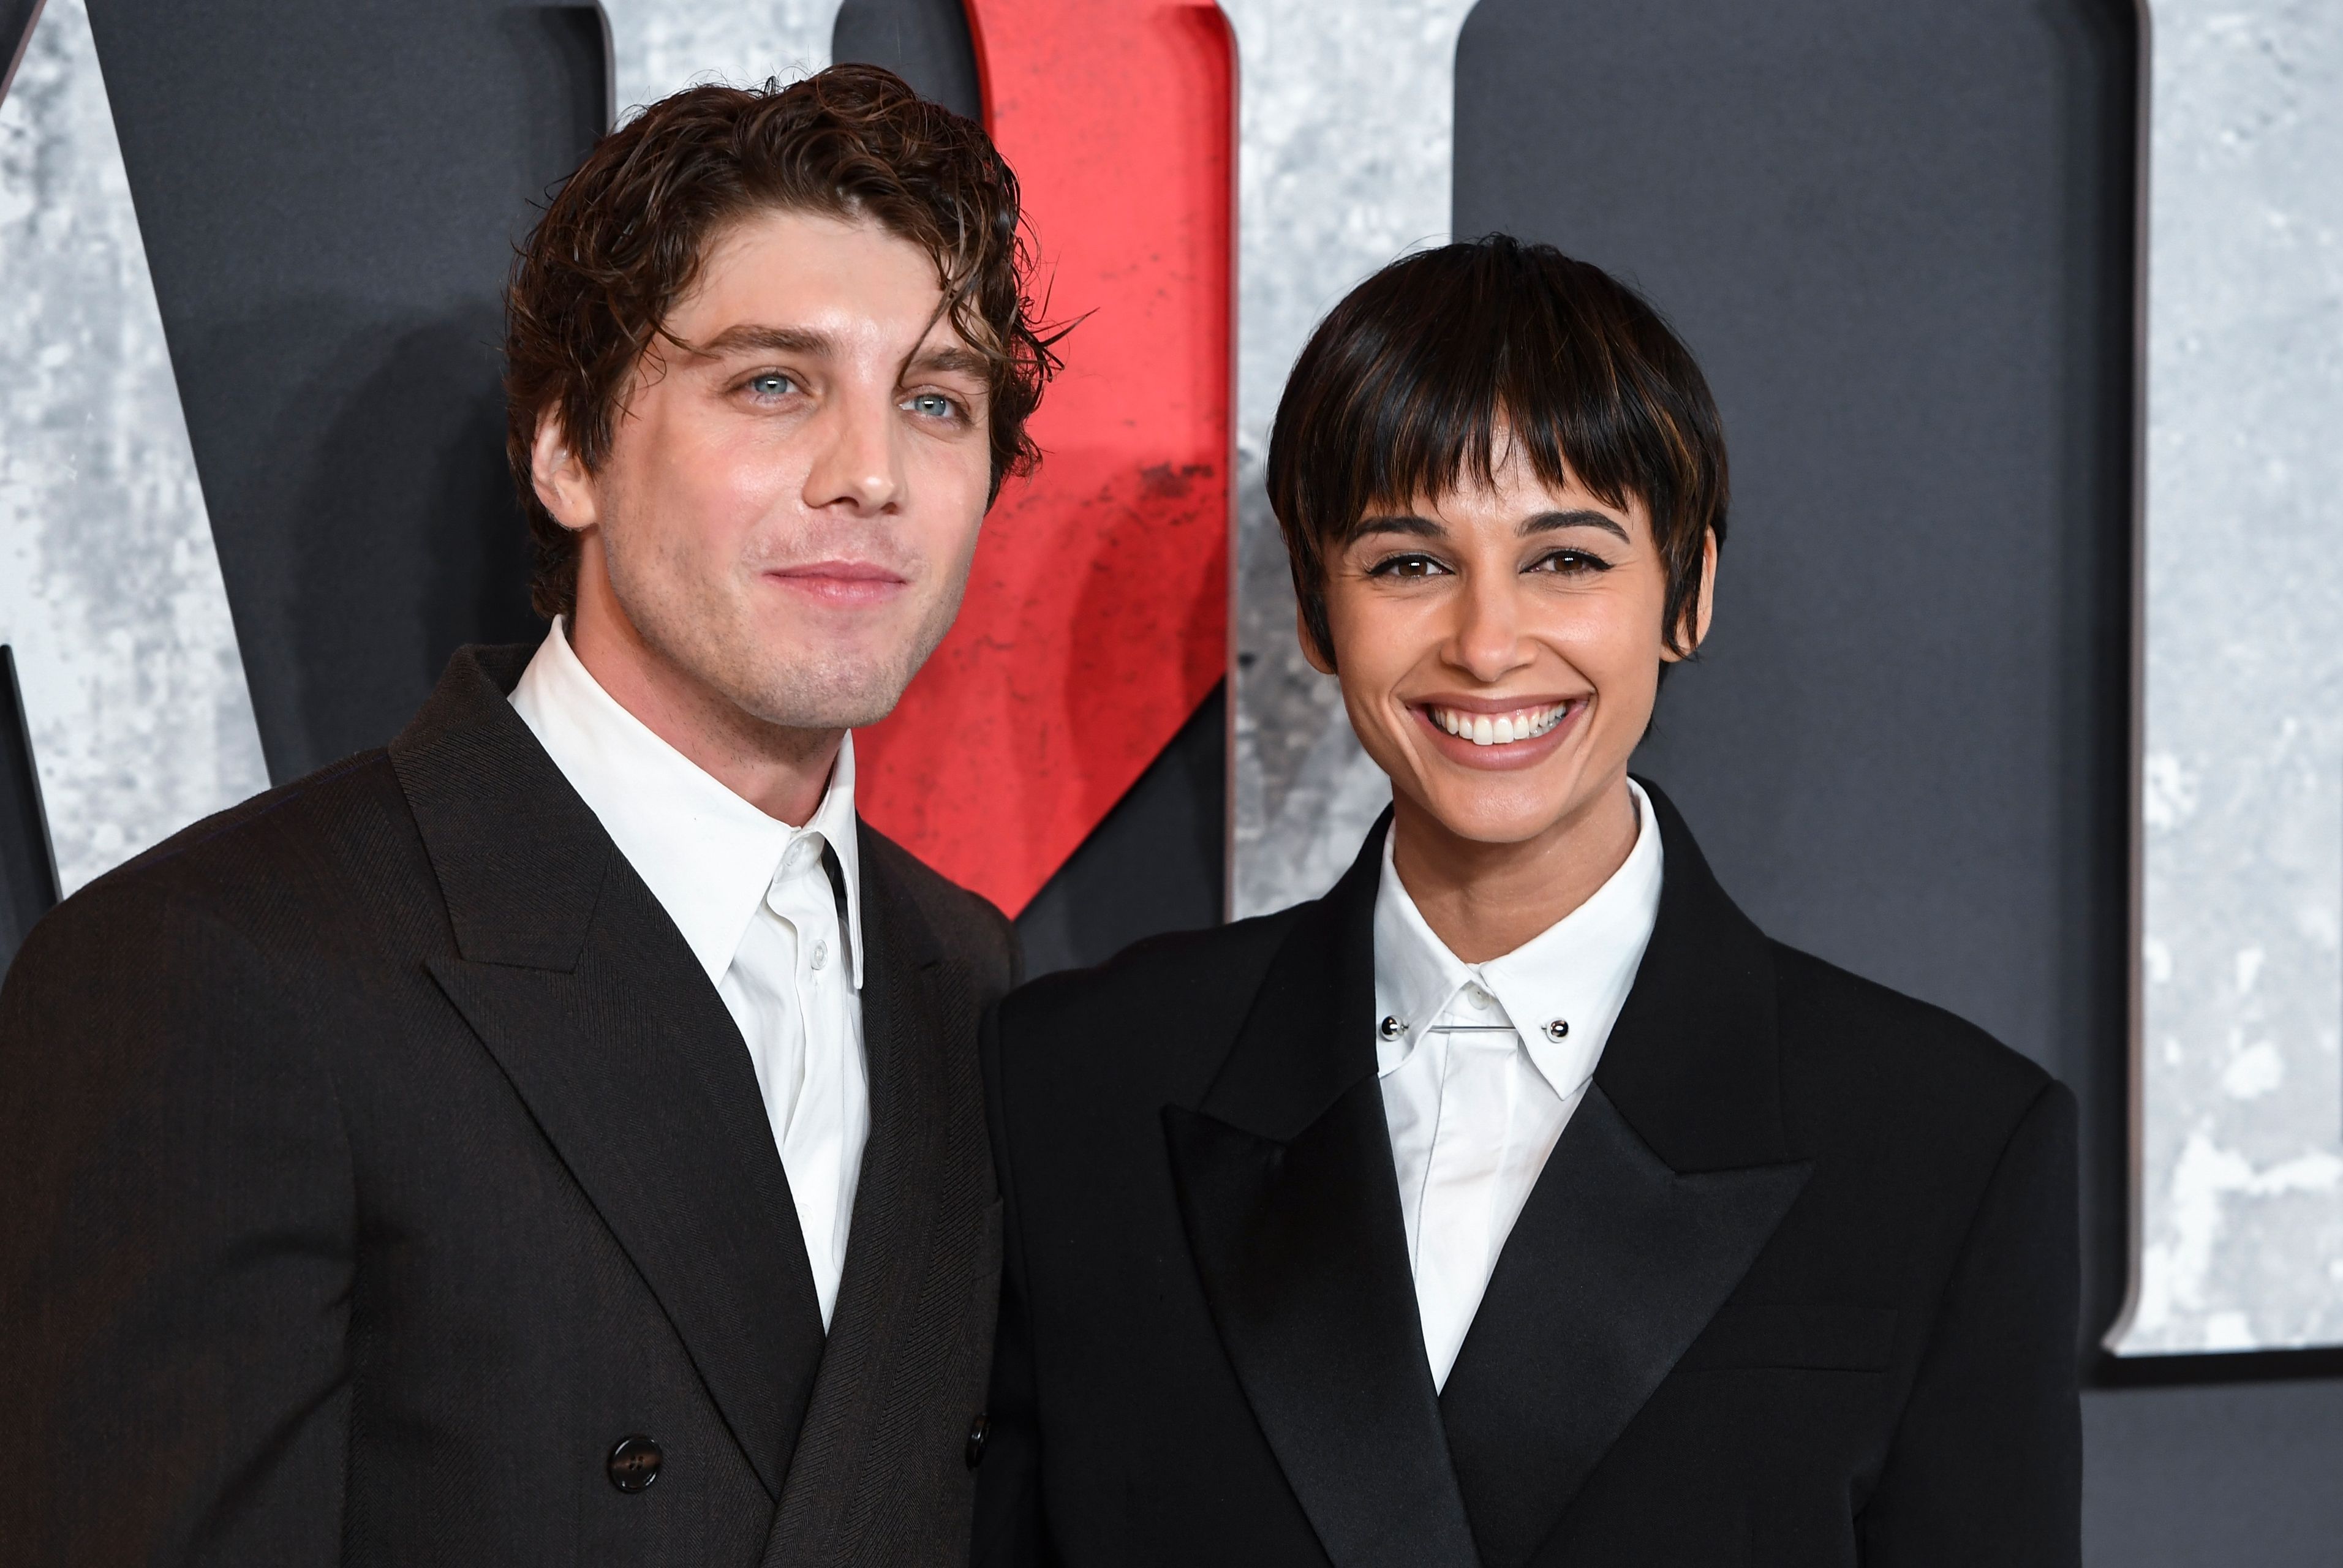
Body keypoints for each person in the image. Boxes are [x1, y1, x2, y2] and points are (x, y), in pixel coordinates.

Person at [0, 65, 1049, 1565]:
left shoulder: (970, 974)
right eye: (773, 382)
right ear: (569, 445)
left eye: (937, 401)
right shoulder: (218, 968)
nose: (871, 474)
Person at [974, 236, 2080, 1566]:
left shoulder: (1945, 1142)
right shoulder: (1080, 1082)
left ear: (1690, 591)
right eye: (1408, 563)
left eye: (1566, 559)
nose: (1489, 644)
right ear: (1318, 611)